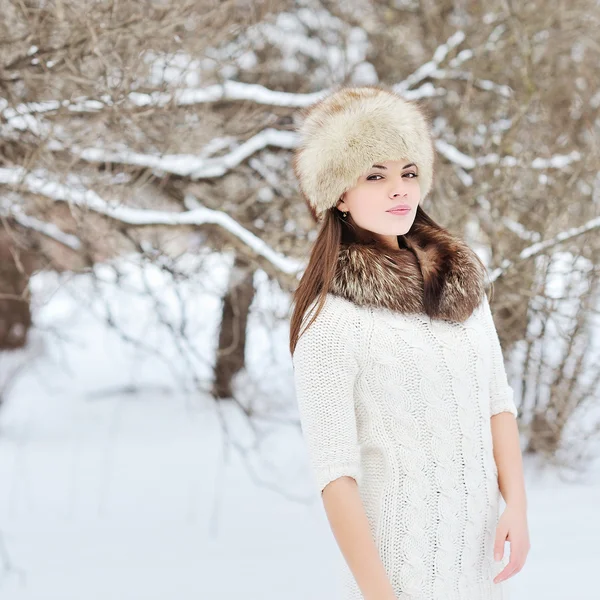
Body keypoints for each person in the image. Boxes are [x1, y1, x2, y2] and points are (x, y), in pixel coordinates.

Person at [288, 85, 530, 600]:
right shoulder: (331, 321)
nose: (399, 189)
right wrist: (380, 595)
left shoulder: (460, 284)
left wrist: (517, 507)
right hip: (398, 576)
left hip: (479, 569)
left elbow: (497, 404)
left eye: (409, 172)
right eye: (375, 175)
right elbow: (336, 476)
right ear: (339, 194)